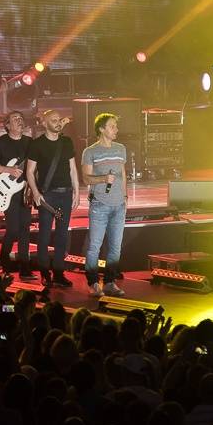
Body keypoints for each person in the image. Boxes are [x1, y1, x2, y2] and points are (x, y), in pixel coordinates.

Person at [26, 110, 79, 288]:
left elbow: (72, 169)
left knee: (62, 234)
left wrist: (77, 192)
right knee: (45, 233)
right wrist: (36, 193)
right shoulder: (37, 144)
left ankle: (58, 272)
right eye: (54, 120)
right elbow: (30, 172)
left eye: (59, 120)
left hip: (65, 194)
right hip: (47, 195)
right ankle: (44, 271)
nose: (58, 123)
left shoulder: (66, 142)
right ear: (44, 123)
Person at [0, 110, 36, 280]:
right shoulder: (1, 142)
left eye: (21, 118)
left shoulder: (30, 142)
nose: (19, 121)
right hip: (7, 191)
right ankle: (4, 262)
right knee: (13, 229)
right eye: (15, 119)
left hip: (24, 190)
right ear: (7, 125)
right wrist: (8, 170)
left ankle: (25, 268)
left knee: (25, 229)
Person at [81, 113, 127, 297]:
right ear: (101, 129)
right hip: (100, 204)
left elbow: (123, 174)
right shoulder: (90, 152)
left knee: (116, 247)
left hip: (119, 205)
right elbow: (86, 179)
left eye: (116, 126)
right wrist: (103, 179)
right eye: (112, 126)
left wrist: (125, 196)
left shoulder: (121, 149)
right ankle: (93, 282)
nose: (116, 129)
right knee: (95, 246)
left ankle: (109, 282)